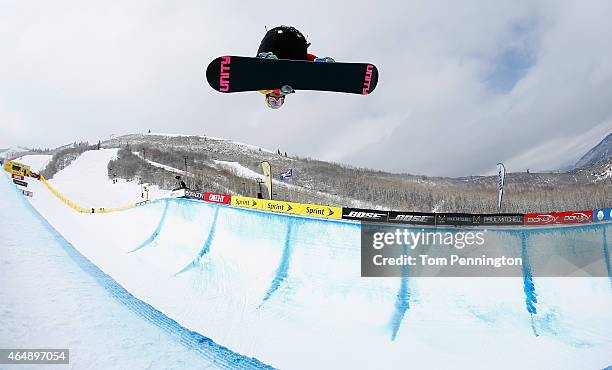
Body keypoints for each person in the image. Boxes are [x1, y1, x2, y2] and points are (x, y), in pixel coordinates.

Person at [256, 25, 335, 109]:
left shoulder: (265, 88)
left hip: (274, 40)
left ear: (268, 97)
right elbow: (303, 59)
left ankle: (266, 57)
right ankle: (320, 62)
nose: (277, 99)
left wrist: (278, 88)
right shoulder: (292, 82)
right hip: (297, 40)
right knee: (299, 67)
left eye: (272, 100)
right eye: (279, 101)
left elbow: (261, 88)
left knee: (262, 76)